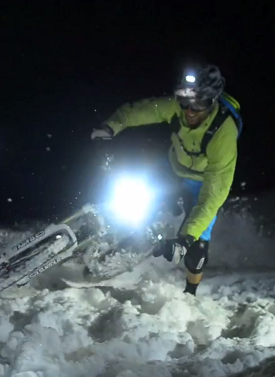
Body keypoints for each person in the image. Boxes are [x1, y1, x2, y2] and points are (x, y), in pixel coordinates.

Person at [91, 64, 240, 295]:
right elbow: (141, 110)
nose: (190, 111)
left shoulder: (224, 133)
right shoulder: (176, 108)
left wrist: (186, 238)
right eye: (184, 102)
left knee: (197, 246)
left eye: (198, 105)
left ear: (212, 102)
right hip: (173, 168)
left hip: (202, 184)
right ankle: (119, 235)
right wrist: (111, 127)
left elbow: (213, 196)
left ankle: (190, 292)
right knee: (134, 193)